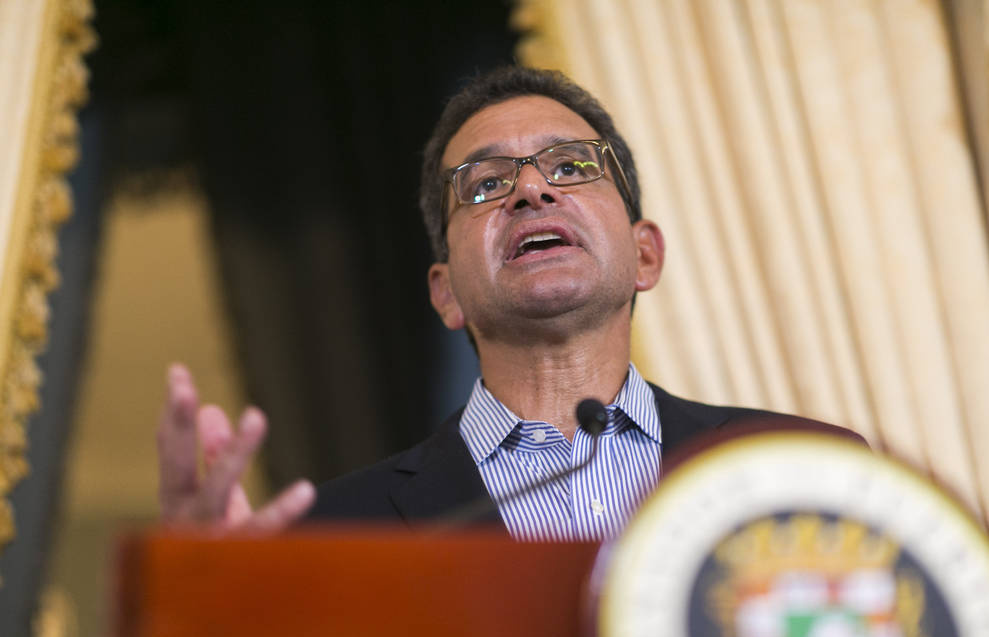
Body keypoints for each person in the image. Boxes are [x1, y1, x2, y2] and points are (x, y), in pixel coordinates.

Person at [157, 66, 860, 540]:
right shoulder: (335, 532)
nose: (532, 190)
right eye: (486, 183)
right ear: (446, 294)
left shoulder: (809, 470)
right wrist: (207, 602)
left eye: (570, 167)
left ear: (646, 254)